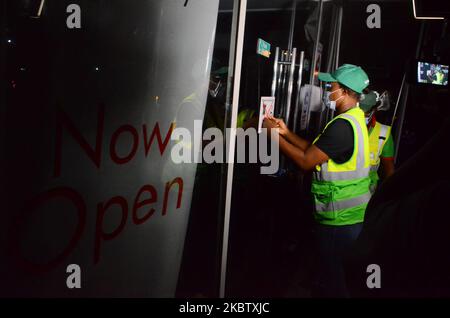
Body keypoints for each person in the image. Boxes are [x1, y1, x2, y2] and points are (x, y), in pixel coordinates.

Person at [263, 64, 371, 297]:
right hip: (350, 218)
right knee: (336, 279)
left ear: (343, 91)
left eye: (330, 85)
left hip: (339, 220)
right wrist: (285, 132)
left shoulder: (343, 126)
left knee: (336, 284)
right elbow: (315, 150)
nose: (326, 90)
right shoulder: (353, 119)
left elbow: (305, 161)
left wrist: (270, 134)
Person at [359, 90, 395, 193]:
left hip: (367, 195)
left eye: (367, 111)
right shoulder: (342, 125)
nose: (363, 114)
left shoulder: (383, 133)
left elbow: (389, 169)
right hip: (339, 194)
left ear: (374, 110)